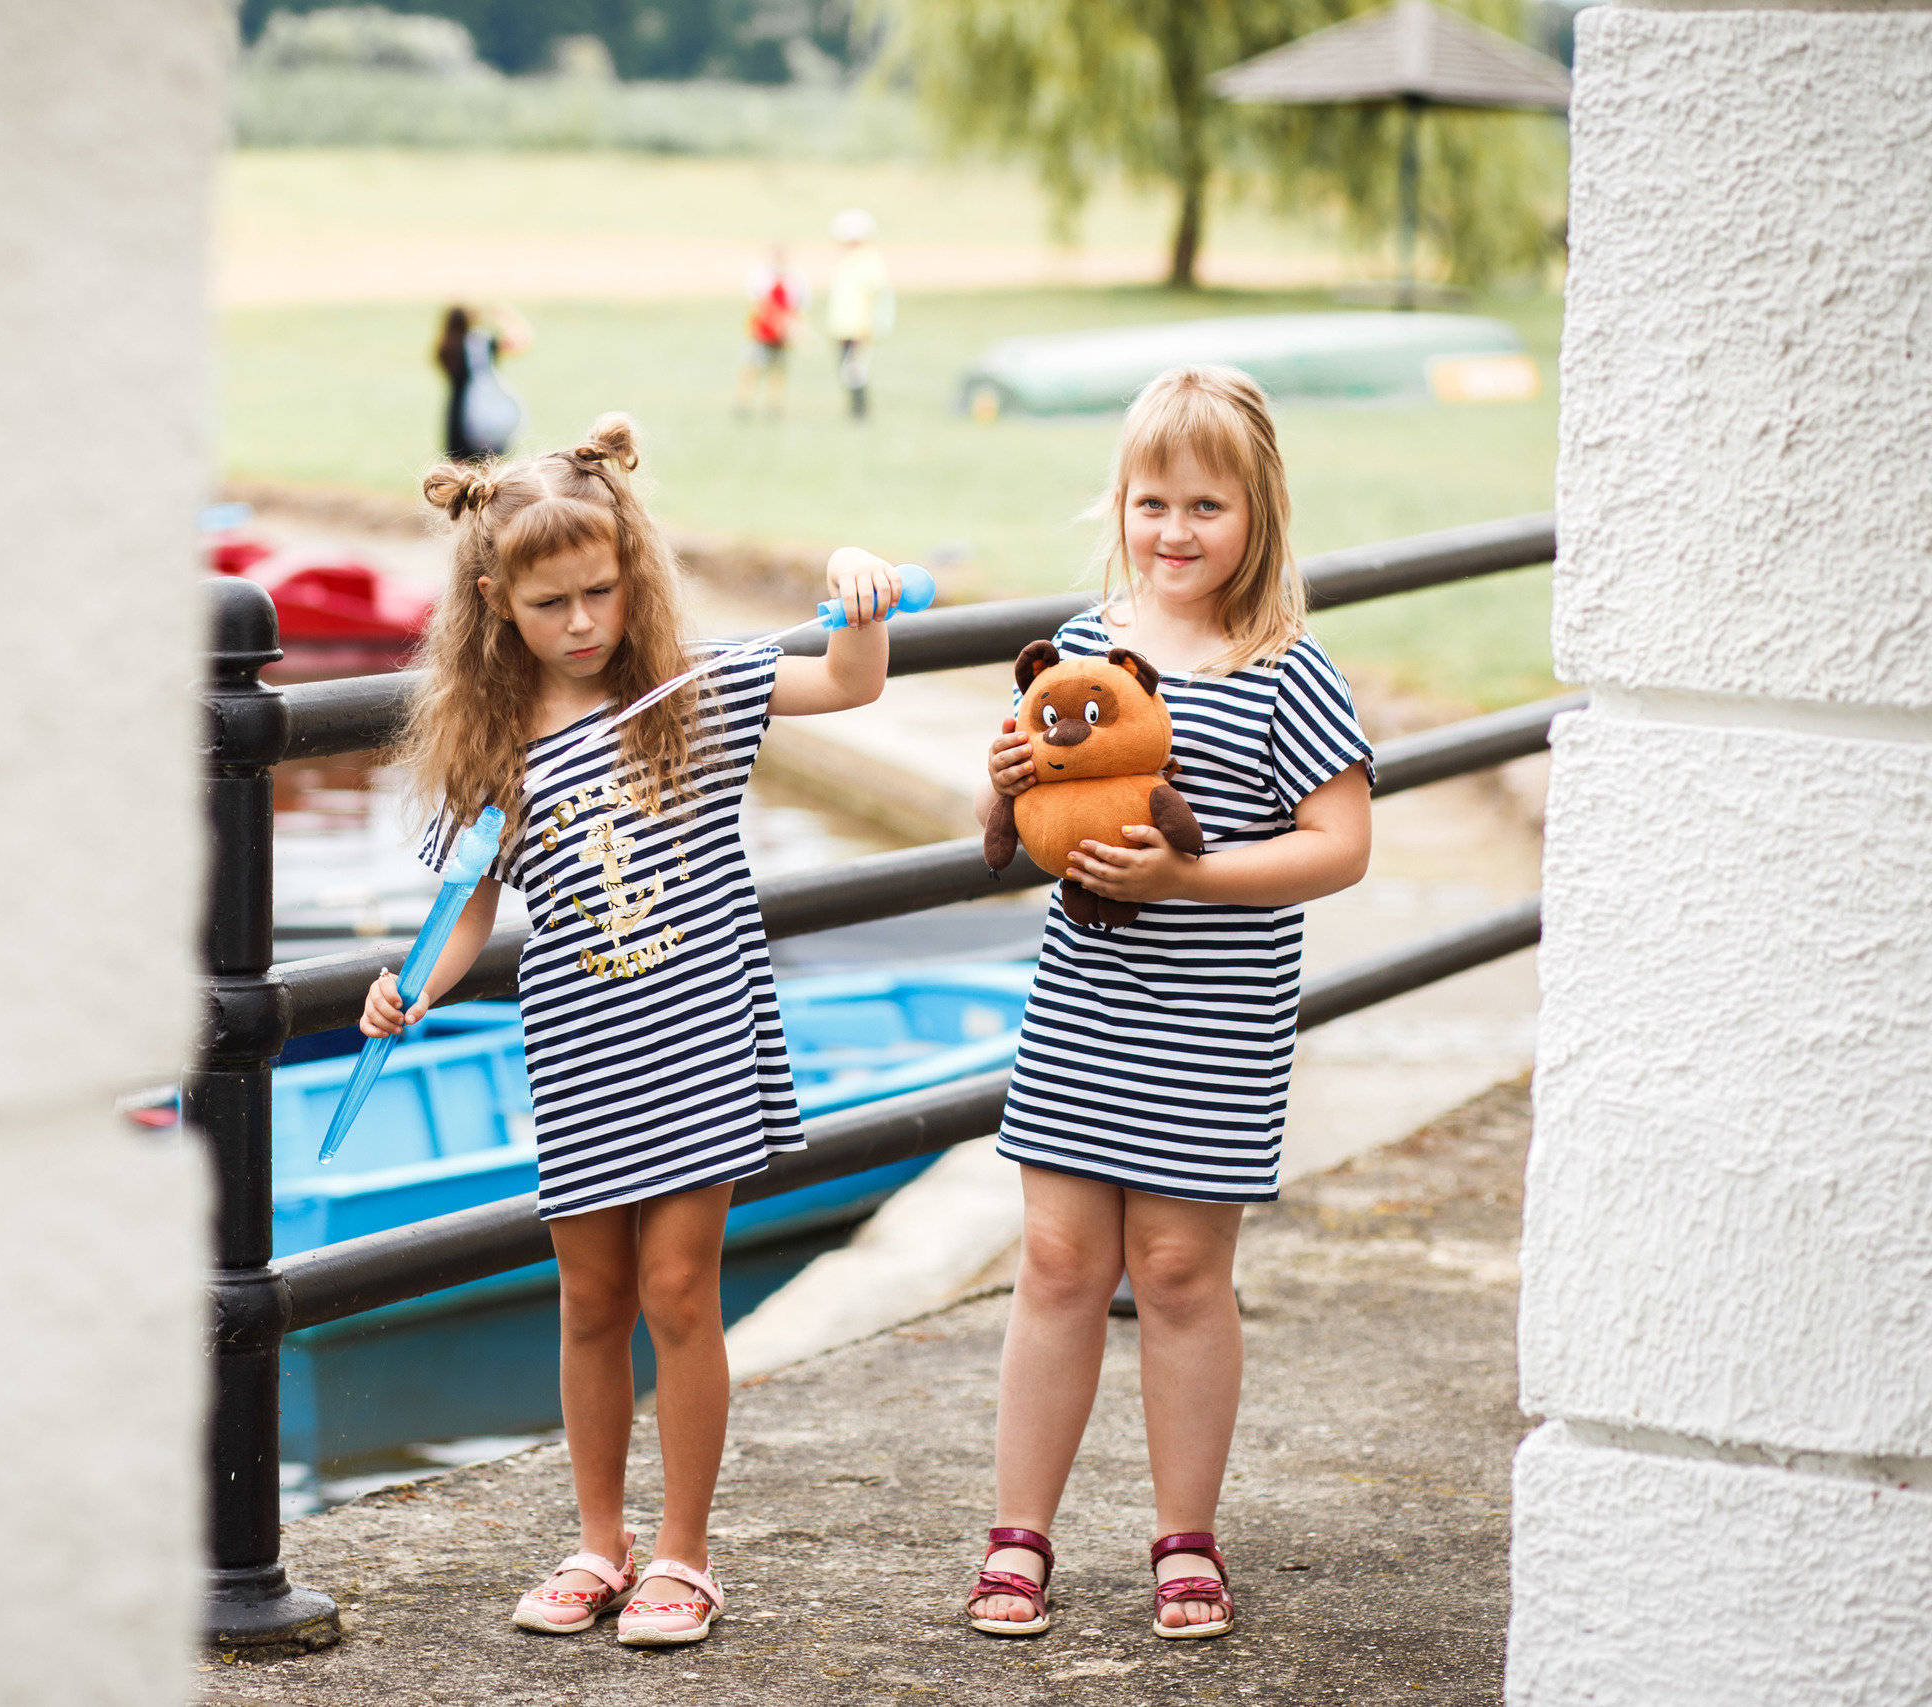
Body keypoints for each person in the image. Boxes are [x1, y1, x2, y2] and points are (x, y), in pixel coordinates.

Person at [363, 413, 908, 1647]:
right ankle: (596, 1541)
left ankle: (683, 1554)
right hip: (580, 1059)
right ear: (497, 600)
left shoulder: (695, 698)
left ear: (633, 571)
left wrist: (858, 595)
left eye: (602, 591)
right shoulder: (494, 745)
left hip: (700, 1046)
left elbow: (850, 678)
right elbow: (465, 910)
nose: (583, 623)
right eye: (551, 602)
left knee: (678, 1293)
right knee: (588, 1299)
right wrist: (414, 984)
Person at [965, 366, 1373, 1642]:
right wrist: (1002, 779)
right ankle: (1018, 1534)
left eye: (1208, 505)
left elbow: (1338, 846)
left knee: (1184, 1274)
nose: (1176, 531)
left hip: (1215, 1029)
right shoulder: (1087, 654)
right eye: (1153, 502)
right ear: (1121, 507)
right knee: (1055, 1264)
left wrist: (1189, 873)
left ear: (1258, 515)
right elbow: (1023, 826)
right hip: (1083, 1012)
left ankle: (1183, 1538)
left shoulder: (1287, 670)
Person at [821, 208, 894, 421]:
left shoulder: (868, 261)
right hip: (843, 326)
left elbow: (875, 296)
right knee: (847, 371)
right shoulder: (850, 260)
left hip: (858, 327)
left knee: (856, 371)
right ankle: (853, 410)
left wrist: (868, 326)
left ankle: (860, 413)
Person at [437, 302, 533, 460]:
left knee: (458, 469)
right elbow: (520, 342)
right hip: (485, 412)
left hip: (458, 413)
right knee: (491, 467)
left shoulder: (446, 348)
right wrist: (506, 317)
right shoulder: (481, 344)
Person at [733, 247, 807, 417]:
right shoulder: (760, 275)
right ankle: (743, 406)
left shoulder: (796, 278)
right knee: (751, 368)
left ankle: (774, 407)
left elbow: (799, 307)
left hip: (783, 335)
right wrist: (777, 322)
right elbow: (758, 305)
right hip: (761, 333)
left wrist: (794, 330)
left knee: (778, 370)